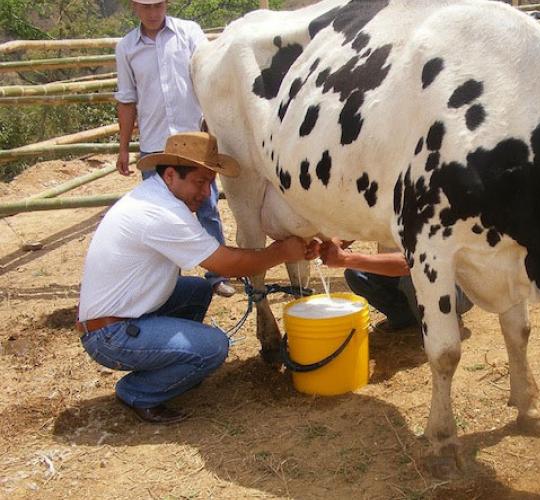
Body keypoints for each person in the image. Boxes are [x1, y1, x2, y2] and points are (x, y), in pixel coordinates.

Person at [77, 132, 319, 424]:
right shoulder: (160, 213)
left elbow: (217, 254)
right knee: (214, 347)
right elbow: (226, 264)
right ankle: (139, 391)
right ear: (170, 175)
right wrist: (281, 250)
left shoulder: (155, 196)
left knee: (197, 290)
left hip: (120, 315)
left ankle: (176, 361)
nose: (206, 193)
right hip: (109, 336)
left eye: (210, 183)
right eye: (199, 182)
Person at [114, 0, 235, 297]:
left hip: (194, 140)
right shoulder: (127, 47)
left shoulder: (189, 33)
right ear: (135, 8)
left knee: (206, 206)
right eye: (146, 7)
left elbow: (210, 78)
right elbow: (127, 99)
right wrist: (124, 147)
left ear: (166, 4)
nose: (153, 12)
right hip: (155, 144)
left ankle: (217, 274)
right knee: (159, 216)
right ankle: (168, 282)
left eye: (158, 5)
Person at [319, 240, 473, 333]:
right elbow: (353, 228)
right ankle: (404, 318)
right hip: (404, 272)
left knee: (412, 277)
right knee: (355, 274)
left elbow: (408, 264)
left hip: (454, 287)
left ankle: (445, 323)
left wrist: (345, 258)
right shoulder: (384, 198)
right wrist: (327, 246)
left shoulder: (426, 202)